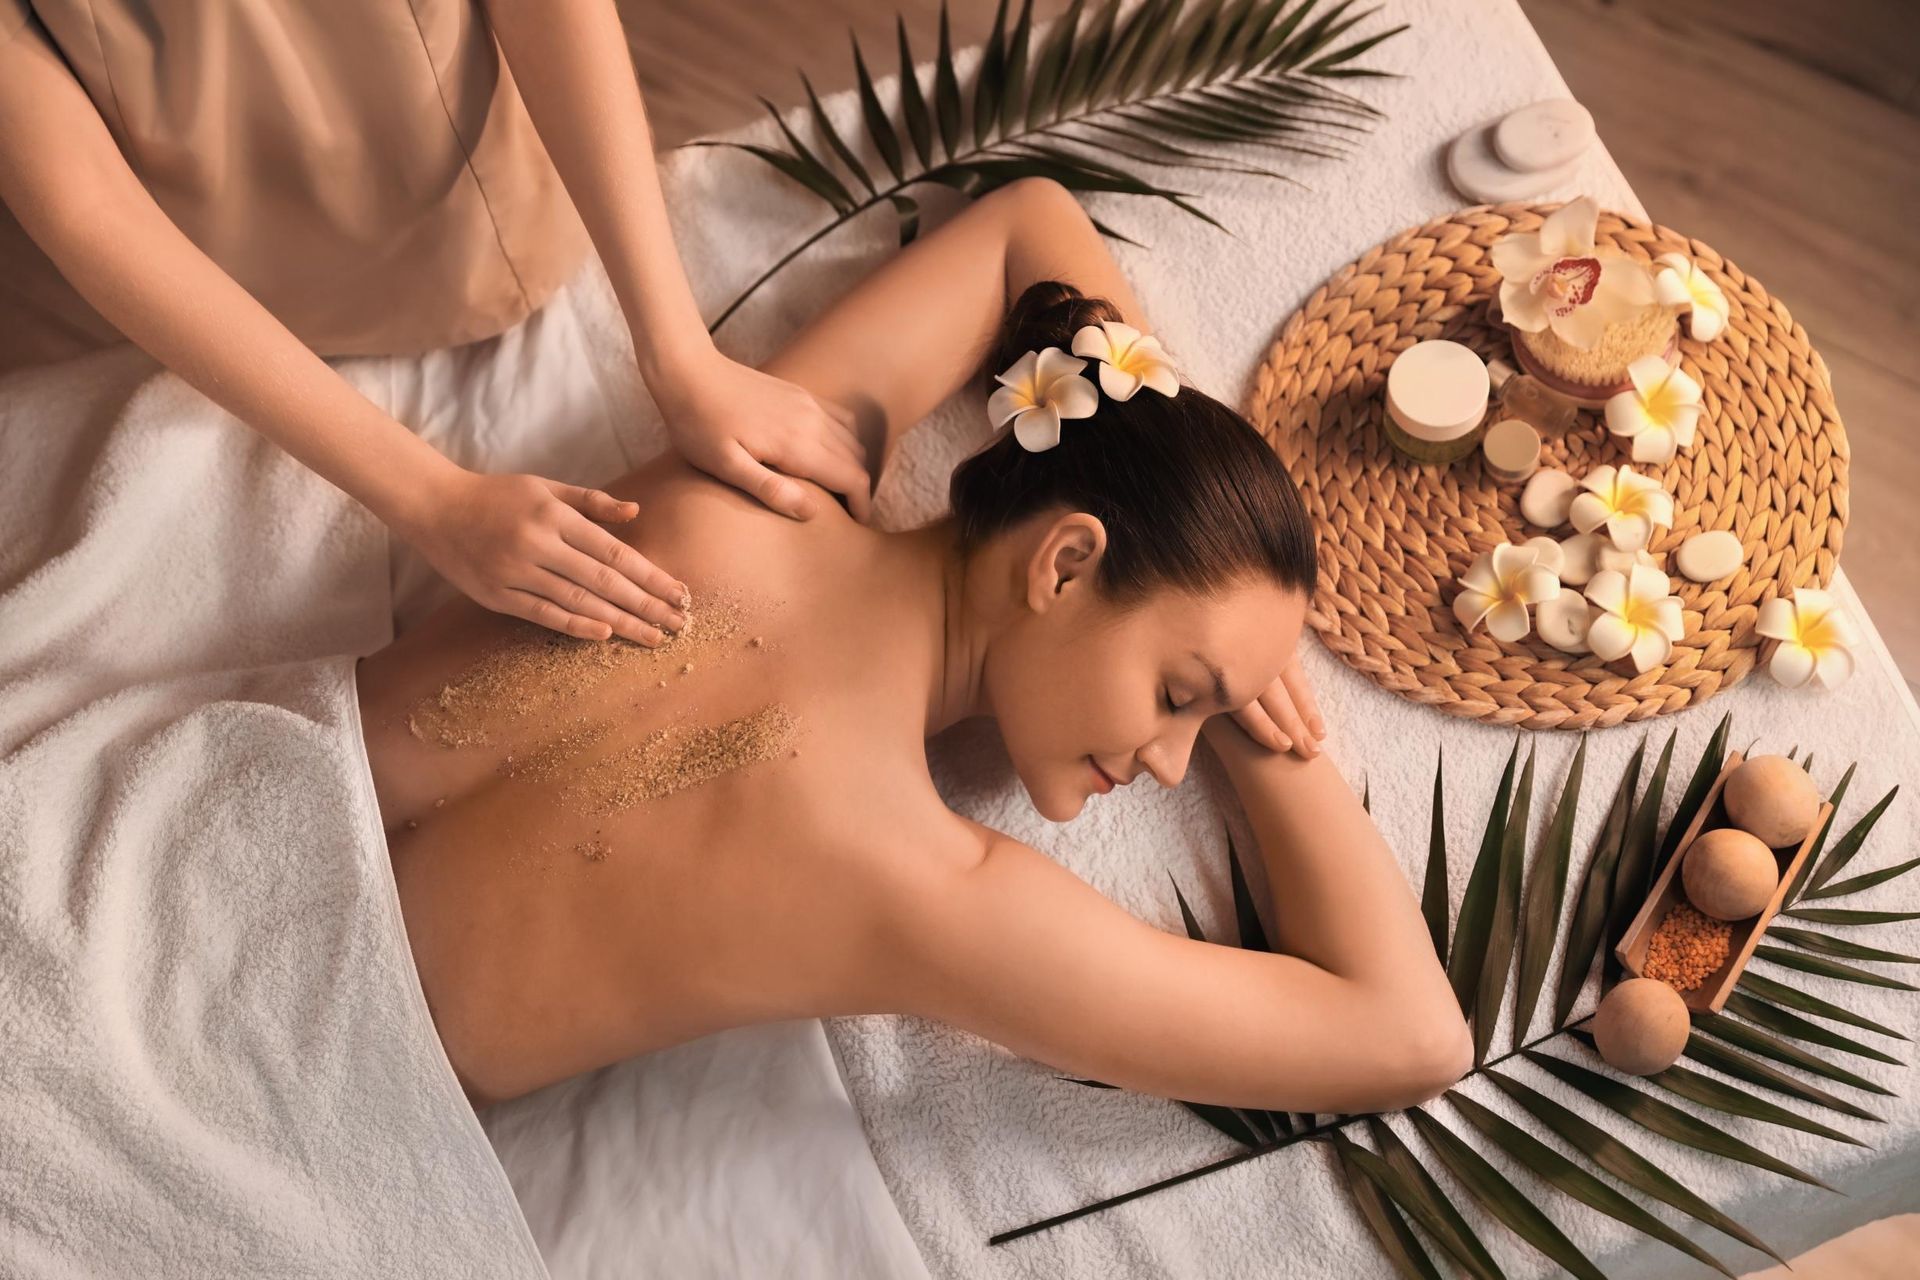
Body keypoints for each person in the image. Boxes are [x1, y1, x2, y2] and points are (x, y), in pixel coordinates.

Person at [352, 177, 1472, 1115]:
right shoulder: (915, 886)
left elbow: (1028, 227)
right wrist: (1273, 742)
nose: (1176, 762)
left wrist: (1218, 610)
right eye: (1180, 695)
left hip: (250, 779)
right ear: (1063, 564)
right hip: (300, 1078)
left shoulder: (762, 470)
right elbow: (1410, 1035)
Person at [0, 0, 870, 647]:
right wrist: (431, 501)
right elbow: (87, 208)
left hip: (481, 220)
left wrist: (682, 355)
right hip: (198, 294)